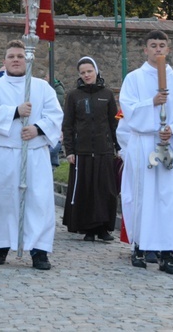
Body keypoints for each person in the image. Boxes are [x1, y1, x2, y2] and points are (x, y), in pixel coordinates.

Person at [0, 40, 63, 270]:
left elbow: (55, 115)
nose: (16, 59)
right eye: (11, 56)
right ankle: (1, 244)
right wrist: (15, 112)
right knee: (2, 200)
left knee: (37, 201)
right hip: (4, 154)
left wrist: (37, 129)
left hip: (34, 153)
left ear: (28, 60)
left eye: (20, 56)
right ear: (4, 61)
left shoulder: (42, 87)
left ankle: (39, 250)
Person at [119, 30, 173, 276]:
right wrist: (151, 103)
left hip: (168, 146)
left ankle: (167, 253)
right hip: (143, 145)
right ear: (145, 49)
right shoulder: (134, 79)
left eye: (162, 45)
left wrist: (172, 130)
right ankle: (139, 247)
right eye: (153, 45)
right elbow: (128, 111)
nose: (158, 49)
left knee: (168, 199)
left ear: (168, 49)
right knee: (142, 197)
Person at [61, 56, 119, 242]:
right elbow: (68, 125)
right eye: (83, 72)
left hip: (104, 149)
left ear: (96, 71)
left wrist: (119, 146)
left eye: (89, 71)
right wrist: (69, 150)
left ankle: (103, 228)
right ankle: (88, 228)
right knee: (85, 189)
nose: (86, 75)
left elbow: (114, 123)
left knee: (104, 190)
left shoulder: (107, 95)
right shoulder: (73, 96)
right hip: (82, 150)